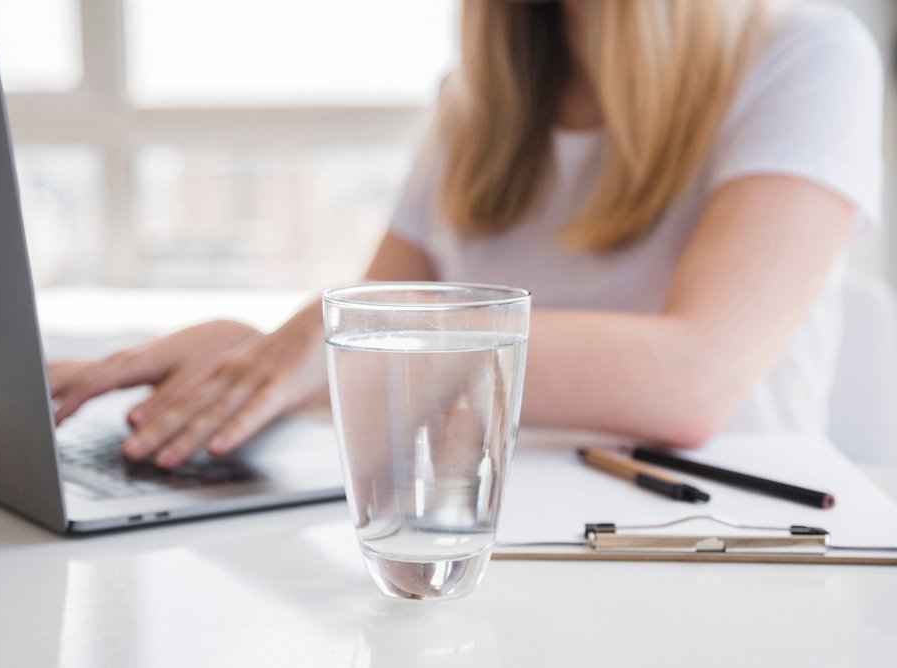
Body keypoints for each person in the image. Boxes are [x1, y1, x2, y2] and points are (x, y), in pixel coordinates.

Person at [50, 0, 883, 470]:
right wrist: (254, 363)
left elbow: (694, 382)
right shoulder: (473, 104)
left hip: (709, 545)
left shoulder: (807, 55)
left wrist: (332, 333)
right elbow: (390, 365)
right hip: (477, 527)